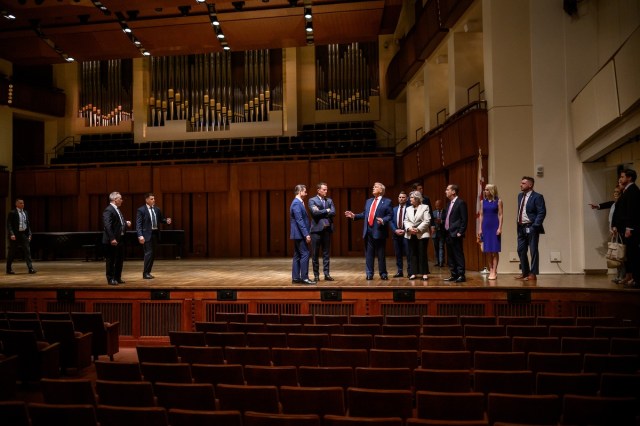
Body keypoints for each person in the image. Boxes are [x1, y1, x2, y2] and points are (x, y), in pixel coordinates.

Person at [345, 182, 393, 280]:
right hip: (368, 231)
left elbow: (390, 215)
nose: (373, 188)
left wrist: (383, 220)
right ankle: (369, 273)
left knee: (381, 254)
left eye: (375, 187)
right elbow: (365, 214)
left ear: (381, 190)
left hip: (379, 231)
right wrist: (354, 216)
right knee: (369, 255)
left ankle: (383, 274)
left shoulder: (387, 202)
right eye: (373, 186)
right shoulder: (369, 201)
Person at [612, 169, 640, 288]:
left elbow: (631, 211)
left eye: (623, 177)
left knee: (633, 254)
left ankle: (636, 278)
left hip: (631, 229)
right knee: (628, 254)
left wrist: (629, 228)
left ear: (629, 178)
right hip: (625, 227)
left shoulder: (633, 190)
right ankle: (629, 275)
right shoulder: (626, 190)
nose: (621, 179)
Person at [516, 176, 546, 281]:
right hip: (521, 227)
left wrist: (535, 226)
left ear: (530, 185)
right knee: (520, 250)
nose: (521, 185)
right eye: (521, 183)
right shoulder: (520, 196)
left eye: (523, 183)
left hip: (532, 227)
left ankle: (533, 273)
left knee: (533, 250)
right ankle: (525, 272)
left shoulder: (537, 197)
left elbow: (541, 212)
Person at [136, 192, 172, 280]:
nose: (154, 200)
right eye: (151, 199)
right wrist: (140, 235)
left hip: (155, 234)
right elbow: (138, 224)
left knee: (152, 254)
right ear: (147, 200)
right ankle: (145, 273)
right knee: (148, 253)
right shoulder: (141, 210)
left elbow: (161, 219)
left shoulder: (157, 209)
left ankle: (148, 272)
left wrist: (166, 221)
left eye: (154, 198)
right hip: (146, 235)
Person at [308, 182, 335, 281]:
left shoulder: (329, 200)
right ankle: (316, 275)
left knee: (326, 253)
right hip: (316, 231)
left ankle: (326, 274)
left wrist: (323, 212)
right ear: (318, 190)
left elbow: (333, 212)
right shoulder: (312, 200)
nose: (326, 191)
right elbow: (315, 213)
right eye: (324, 189)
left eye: (326, 189)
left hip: (327, 230)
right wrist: (327, 211)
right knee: (315, 254)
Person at [103, 191, 131, 285]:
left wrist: (125, 223)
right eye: (120, 198)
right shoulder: (109, 210)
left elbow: (117, 223)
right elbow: (108, 225)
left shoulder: (117, 209)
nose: (122, 200)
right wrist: (112, 238)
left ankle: (117, 277)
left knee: (119, 259)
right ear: (115, 199)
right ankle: (110, 278)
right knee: (111, 260)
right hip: (113, 240)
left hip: (120, 239)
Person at [290, 184, 315, 285]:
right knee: (305, 254)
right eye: (304, 191)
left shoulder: (298, 202)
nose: (306, 193)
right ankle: (304, 278)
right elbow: (299, 220)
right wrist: (306, 234)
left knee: (297, 255)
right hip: (300, 234)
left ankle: (296, 278)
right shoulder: (296, 203)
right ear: (299, 192)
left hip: (298, 234)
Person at [478, 184, 503, 280]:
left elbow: (500, 215)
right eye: (485, 189)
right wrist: (480, 228)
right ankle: (491, 269)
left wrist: (500, 228)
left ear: (492, 191)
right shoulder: (482, 202)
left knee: (495, 250)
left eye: (487, 190)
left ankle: (495, 270)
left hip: (495, 226)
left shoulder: (498, 201)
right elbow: (481, 215)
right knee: (487, 250)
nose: (485, 191)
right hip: (486, 227)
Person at [443, 184, 467, 283]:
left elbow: (464, 219)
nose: (445, 191)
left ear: (453, 192)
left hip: (456, 233)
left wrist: (460, 232)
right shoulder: (449, 203)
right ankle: (454, 274)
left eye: (447, 189)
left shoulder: (461, 203)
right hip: (448, 233)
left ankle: (461, 275)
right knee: (450, 255)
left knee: (458, 254)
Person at [404, 191, 431, 280]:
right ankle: (413, 273)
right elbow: (406, 220)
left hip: (422, 233)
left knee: (422, 253)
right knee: (413, 253)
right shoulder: (408, 209)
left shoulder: (425, 207)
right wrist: (409, 228)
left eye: (411, 197)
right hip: (411, 233)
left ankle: (424, 273)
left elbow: (427, 220)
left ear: (417, 198)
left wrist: (418, 229)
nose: (409, 199)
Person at [6, 198, 36, 275]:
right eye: (20, 203)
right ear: (16, 204)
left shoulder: (25, 212)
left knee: (27, 251)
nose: (22, 204)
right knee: (12, 252)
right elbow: (9, 225)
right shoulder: (12, 213)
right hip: (15, 235)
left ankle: (30, 268)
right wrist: (12, 234)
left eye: (23, 203)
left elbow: (27, 224)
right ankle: (8, 269)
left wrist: (29, 234)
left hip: (23, 235)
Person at [390, 191, 411, 278]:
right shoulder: (394, 209)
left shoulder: (410, 209)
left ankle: (410, 272)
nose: (401, 199)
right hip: (396, 235)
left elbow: (411, 221)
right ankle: (400, 271)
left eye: (403, 197)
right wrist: (395, 230)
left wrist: (405, 230)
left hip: (406, 234)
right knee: (398, 254)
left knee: (408, 254)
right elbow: (390, 221)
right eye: (400, 197)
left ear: (406, 199)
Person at [431, 199, 445, 267]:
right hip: (434, 233)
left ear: (441, 205)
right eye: (436, 206)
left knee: (441, 247)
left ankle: (441, 263)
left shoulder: (446, 212)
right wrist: (432, 227)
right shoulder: (433, 213)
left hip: (442, 232)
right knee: (436, 248)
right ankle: (437, 261)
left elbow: (448, 221)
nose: (437, 208)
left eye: (439, 206)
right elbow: (431, 222)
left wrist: (441, 221)